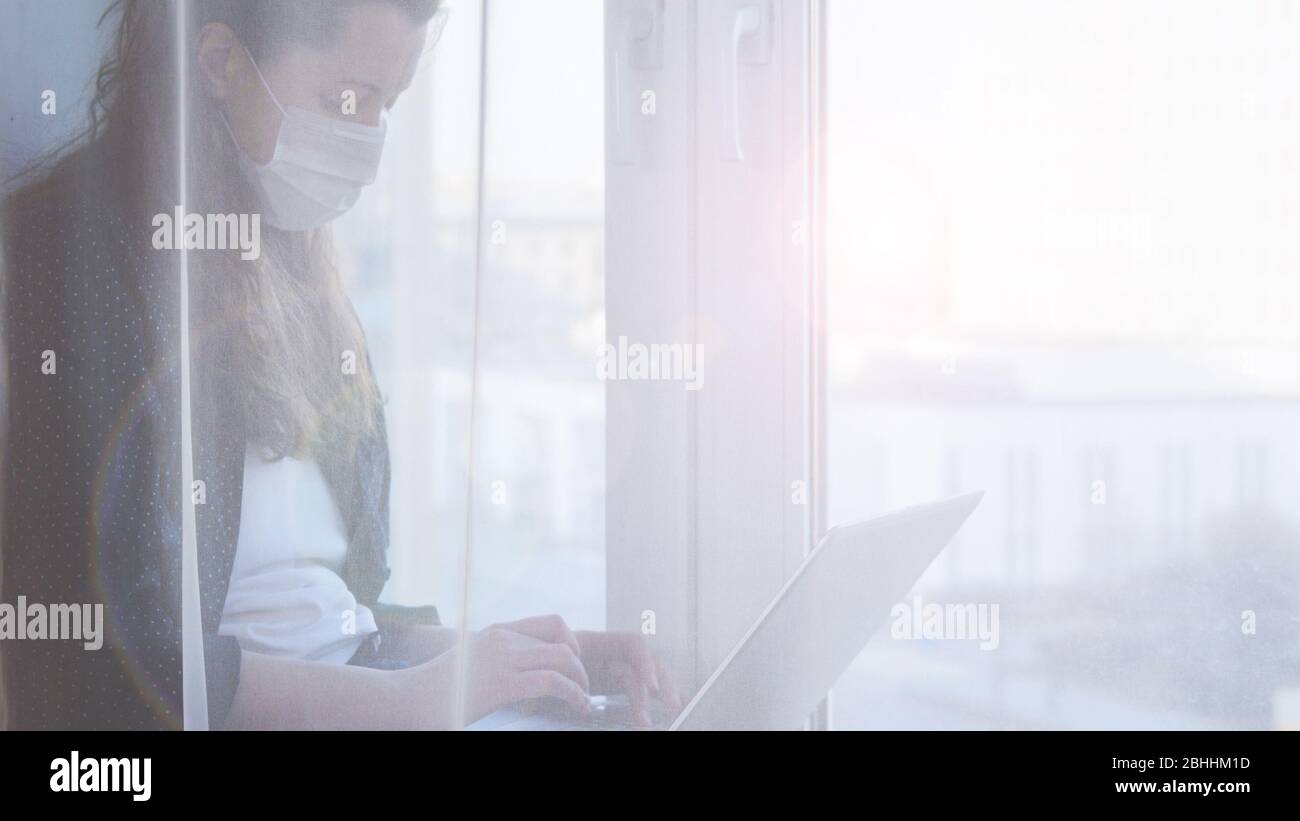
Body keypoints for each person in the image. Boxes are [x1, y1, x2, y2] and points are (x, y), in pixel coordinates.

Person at [1, 0, 680, 730]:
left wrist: (519, 664)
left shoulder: (294, 272)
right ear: (220, 63)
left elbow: (324, 628)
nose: (369, 140)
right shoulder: (72, 254)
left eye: (387, 105)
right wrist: (422, 698)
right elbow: (100, 665)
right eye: (345, 99)